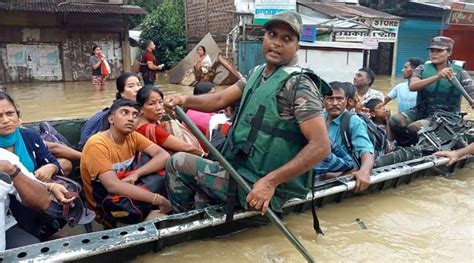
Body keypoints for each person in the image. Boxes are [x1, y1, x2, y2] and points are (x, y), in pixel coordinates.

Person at [164, 11, 331, 217]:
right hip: (239, 171)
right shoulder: (257, 72)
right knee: (198, 189)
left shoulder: (299, 85)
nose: (276, 43)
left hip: (260, 185)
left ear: (298, 46)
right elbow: (219, 100)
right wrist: (184, 99)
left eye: (286, 39)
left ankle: (181, 224)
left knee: (177, 163)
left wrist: (270, 183)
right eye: (272, 34)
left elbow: (321, 146)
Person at [0, 92, 75, 249]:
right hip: (9, 205)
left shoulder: (28, 137)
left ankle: (45, 232)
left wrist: (51, 167)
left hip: (30, 192)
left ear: (18, 116)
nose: (5, 120)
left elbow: (50, 159)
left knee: (60, 191)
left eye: (9, 113)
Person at [80, 99, 172, 226]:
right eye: (124, 113)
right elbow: (112, 185)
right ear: (111, 119)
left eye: (135, 115)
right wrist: (157, 199)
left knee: (162, 165)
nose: (131, 118)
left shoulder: (132, 136)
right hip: (105, 206)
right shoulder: (97, 144)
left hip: (128, 191)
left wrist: (137, 174)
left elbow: (163, 155)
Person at [389, 36, 474, 146]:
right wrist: (437, 76)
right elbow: (413, 86)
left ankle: (419, 148)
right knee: (394, 120)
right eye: (432, 51)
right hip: (421, 111)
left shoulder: (460, 72)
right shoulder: (422, 68)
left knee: (414, 127)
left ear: (449, 52)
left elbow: (471, 91)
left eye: (439, 51)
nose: (434, 54)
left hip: (447, 117)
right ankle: (404, 145)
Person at [323, 82, 374, 192]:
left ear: (347, 100)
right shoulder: (319, 119)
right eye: (330, 99)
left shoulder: (353, 121)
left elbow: (366, 150)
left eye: (339, 99)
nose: (335, 103)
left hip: (344, 170)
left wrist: (364, 172)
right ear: (323, 100)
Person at [136, 85, 205, 157]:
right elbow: (186, 148)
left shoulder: (139, 123)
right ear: (140, 108)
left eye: (160, 102)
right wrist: (205, 155)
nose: (159, 107)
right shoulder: (148, 129)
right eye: (151, 104)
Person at [79, 72, 143, 148]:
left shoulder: (143, 109)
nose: (137, 89)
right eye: (131, 86)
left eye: (138, 85)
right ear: (122, 93)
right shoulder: (116, 115)